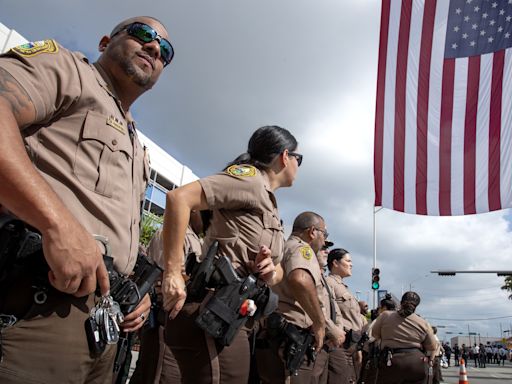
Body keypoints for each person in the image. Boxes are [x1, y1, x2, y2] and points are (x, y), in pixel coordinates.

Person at [0, 16, 173, 383]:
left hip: (106, 324)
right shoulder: (67, 69)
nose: (155, 48)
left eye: (165, 52)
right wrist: (56, 223)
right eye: (143, 34)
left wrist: (134, 288)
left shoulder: (138, 147)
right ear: (105, 41)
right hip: (41, 303)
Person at [161, 125, 301, 384]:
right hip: (210, 309)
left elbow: (279, 271)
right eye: (298, 159)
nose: (298, 165)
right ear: (284, 156)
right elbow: (179, 198)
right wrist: (173, 272)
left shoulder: (269, 201)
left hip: (231, 317)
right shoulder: (249, 179)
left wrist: (270, 269)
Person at [255, 211, 345, 384]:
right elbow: (300, 279)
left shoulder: (283, 248)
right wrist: (319, 323)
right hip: (291, 336)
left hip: (275, 334)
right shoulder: (302, 248)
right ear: (312, 232)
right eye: (324, 234)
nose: (324, 240)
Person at [130, 210, 206, 384]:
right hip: (164, 323)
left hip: (181, 327)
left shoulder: (196, 239)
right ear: (194, 209)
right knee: (160, 375)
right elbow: (164, 281)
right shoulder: (172, 233)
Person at [372, 291, 437, 384]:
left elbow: (375, 334)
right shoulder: (423, 323)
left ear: (401, 302)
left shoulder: (385, 316)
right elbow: (432, 347)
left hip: (390, 362)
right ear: (416, 306)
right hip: (416, 363)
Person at [325, 248, 366, 384]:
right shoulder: (329, 283)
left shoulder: (343, 287)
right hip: (340, 347)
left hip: (351, 347)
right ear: (335, 263)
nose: (351, 264)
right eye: (348, 261)